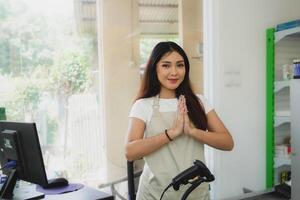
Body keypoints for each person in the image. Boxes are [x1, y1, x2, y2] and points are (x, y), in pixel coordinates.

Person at [125, 41, 234, 200]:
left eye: (180, 65)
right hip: (155, 194)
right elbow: (130, 152)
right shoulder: (143, 106)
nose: (174, 72)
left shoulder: (199, 102)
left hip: (195, 193)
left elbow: (227, 142)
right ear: (154, 68)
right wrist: (172, 133)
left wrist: (192, 131)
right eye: (166, 65)